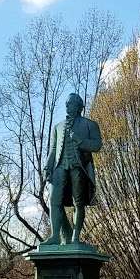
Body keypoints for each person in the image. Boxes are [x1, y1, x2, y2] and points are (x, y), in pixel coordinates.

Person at [44, 91, 102, 244]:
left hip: (79, 167)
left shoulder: (90, 125)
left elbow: (97, 145)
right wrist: (47, 168)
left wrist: (80, 141)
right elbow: (53, 150)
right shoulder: (58, 127)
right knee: (53, 200)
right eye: (67, 104)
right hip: (59, 167)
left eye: (72, 104)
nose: (68, 106)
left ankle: (75, 237)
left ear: (79, 107)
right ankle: (55, 236)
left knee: (78, 202)